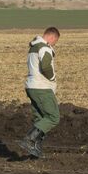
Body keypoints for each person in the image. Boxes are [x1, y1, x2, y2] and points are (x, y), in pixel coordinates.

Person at [18, 27, 60, 158]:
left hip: (31, 86)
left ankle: (35, 150)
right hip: (42, 87)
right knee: (53, 117)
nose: (54, 44)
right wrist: (52, 78)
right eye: (55, 41)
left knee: (41, 118)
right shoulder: (44, 48)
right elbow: (46, 66)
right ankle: (29, 140)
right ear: (52, 37)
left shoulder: (33, 48)